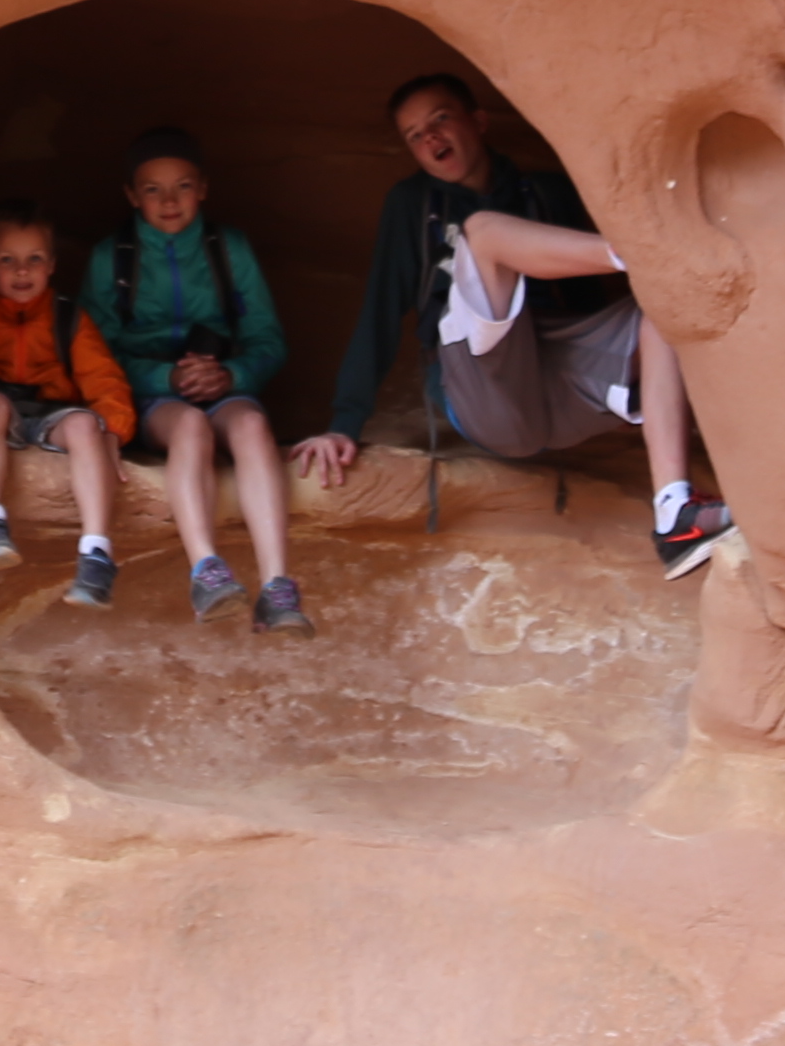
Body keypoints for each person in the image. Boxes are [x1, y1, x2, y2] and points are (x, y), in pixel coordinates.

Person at [296, 72, 734, 575]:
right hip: (485, 384)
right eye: (415, 135)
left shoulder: (544, 191)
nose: (431, 139)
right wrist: (342, 424)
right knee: (482, 233)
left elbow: (591, 301)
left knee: (661, 310)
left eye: (440, 120)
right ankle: (643, 254)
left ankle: (675, 514)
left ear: (478, 121)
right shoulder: (414, 205)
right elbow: (381, 309)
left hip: (565, 376)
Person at [83, 127, 308, 632]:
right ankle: (207, 569)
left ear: (203, 188)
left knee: (251, 428)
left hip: (223, 385)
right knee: (190, 428)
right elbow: (93, 355)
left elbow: (268, 339)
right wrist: (165, 376)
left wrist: (231, 374)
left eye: (182, 186)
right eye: (152, 189)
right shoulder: (110, 258)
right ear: (130, 195)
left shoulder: (227, 249)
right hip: (152, 397)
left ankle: (278, 587)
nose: (168, 201)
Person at [0, 198, 138, 607]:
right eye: (7, 260)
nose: (22, 270)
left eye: (34, 258)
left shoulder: (68, 317)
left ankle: (96, 552)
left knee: (87, 426)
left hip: (54, 413)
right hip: (3, 412)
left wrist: (114, 431)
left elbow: (105, 380)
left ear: (52, 264)